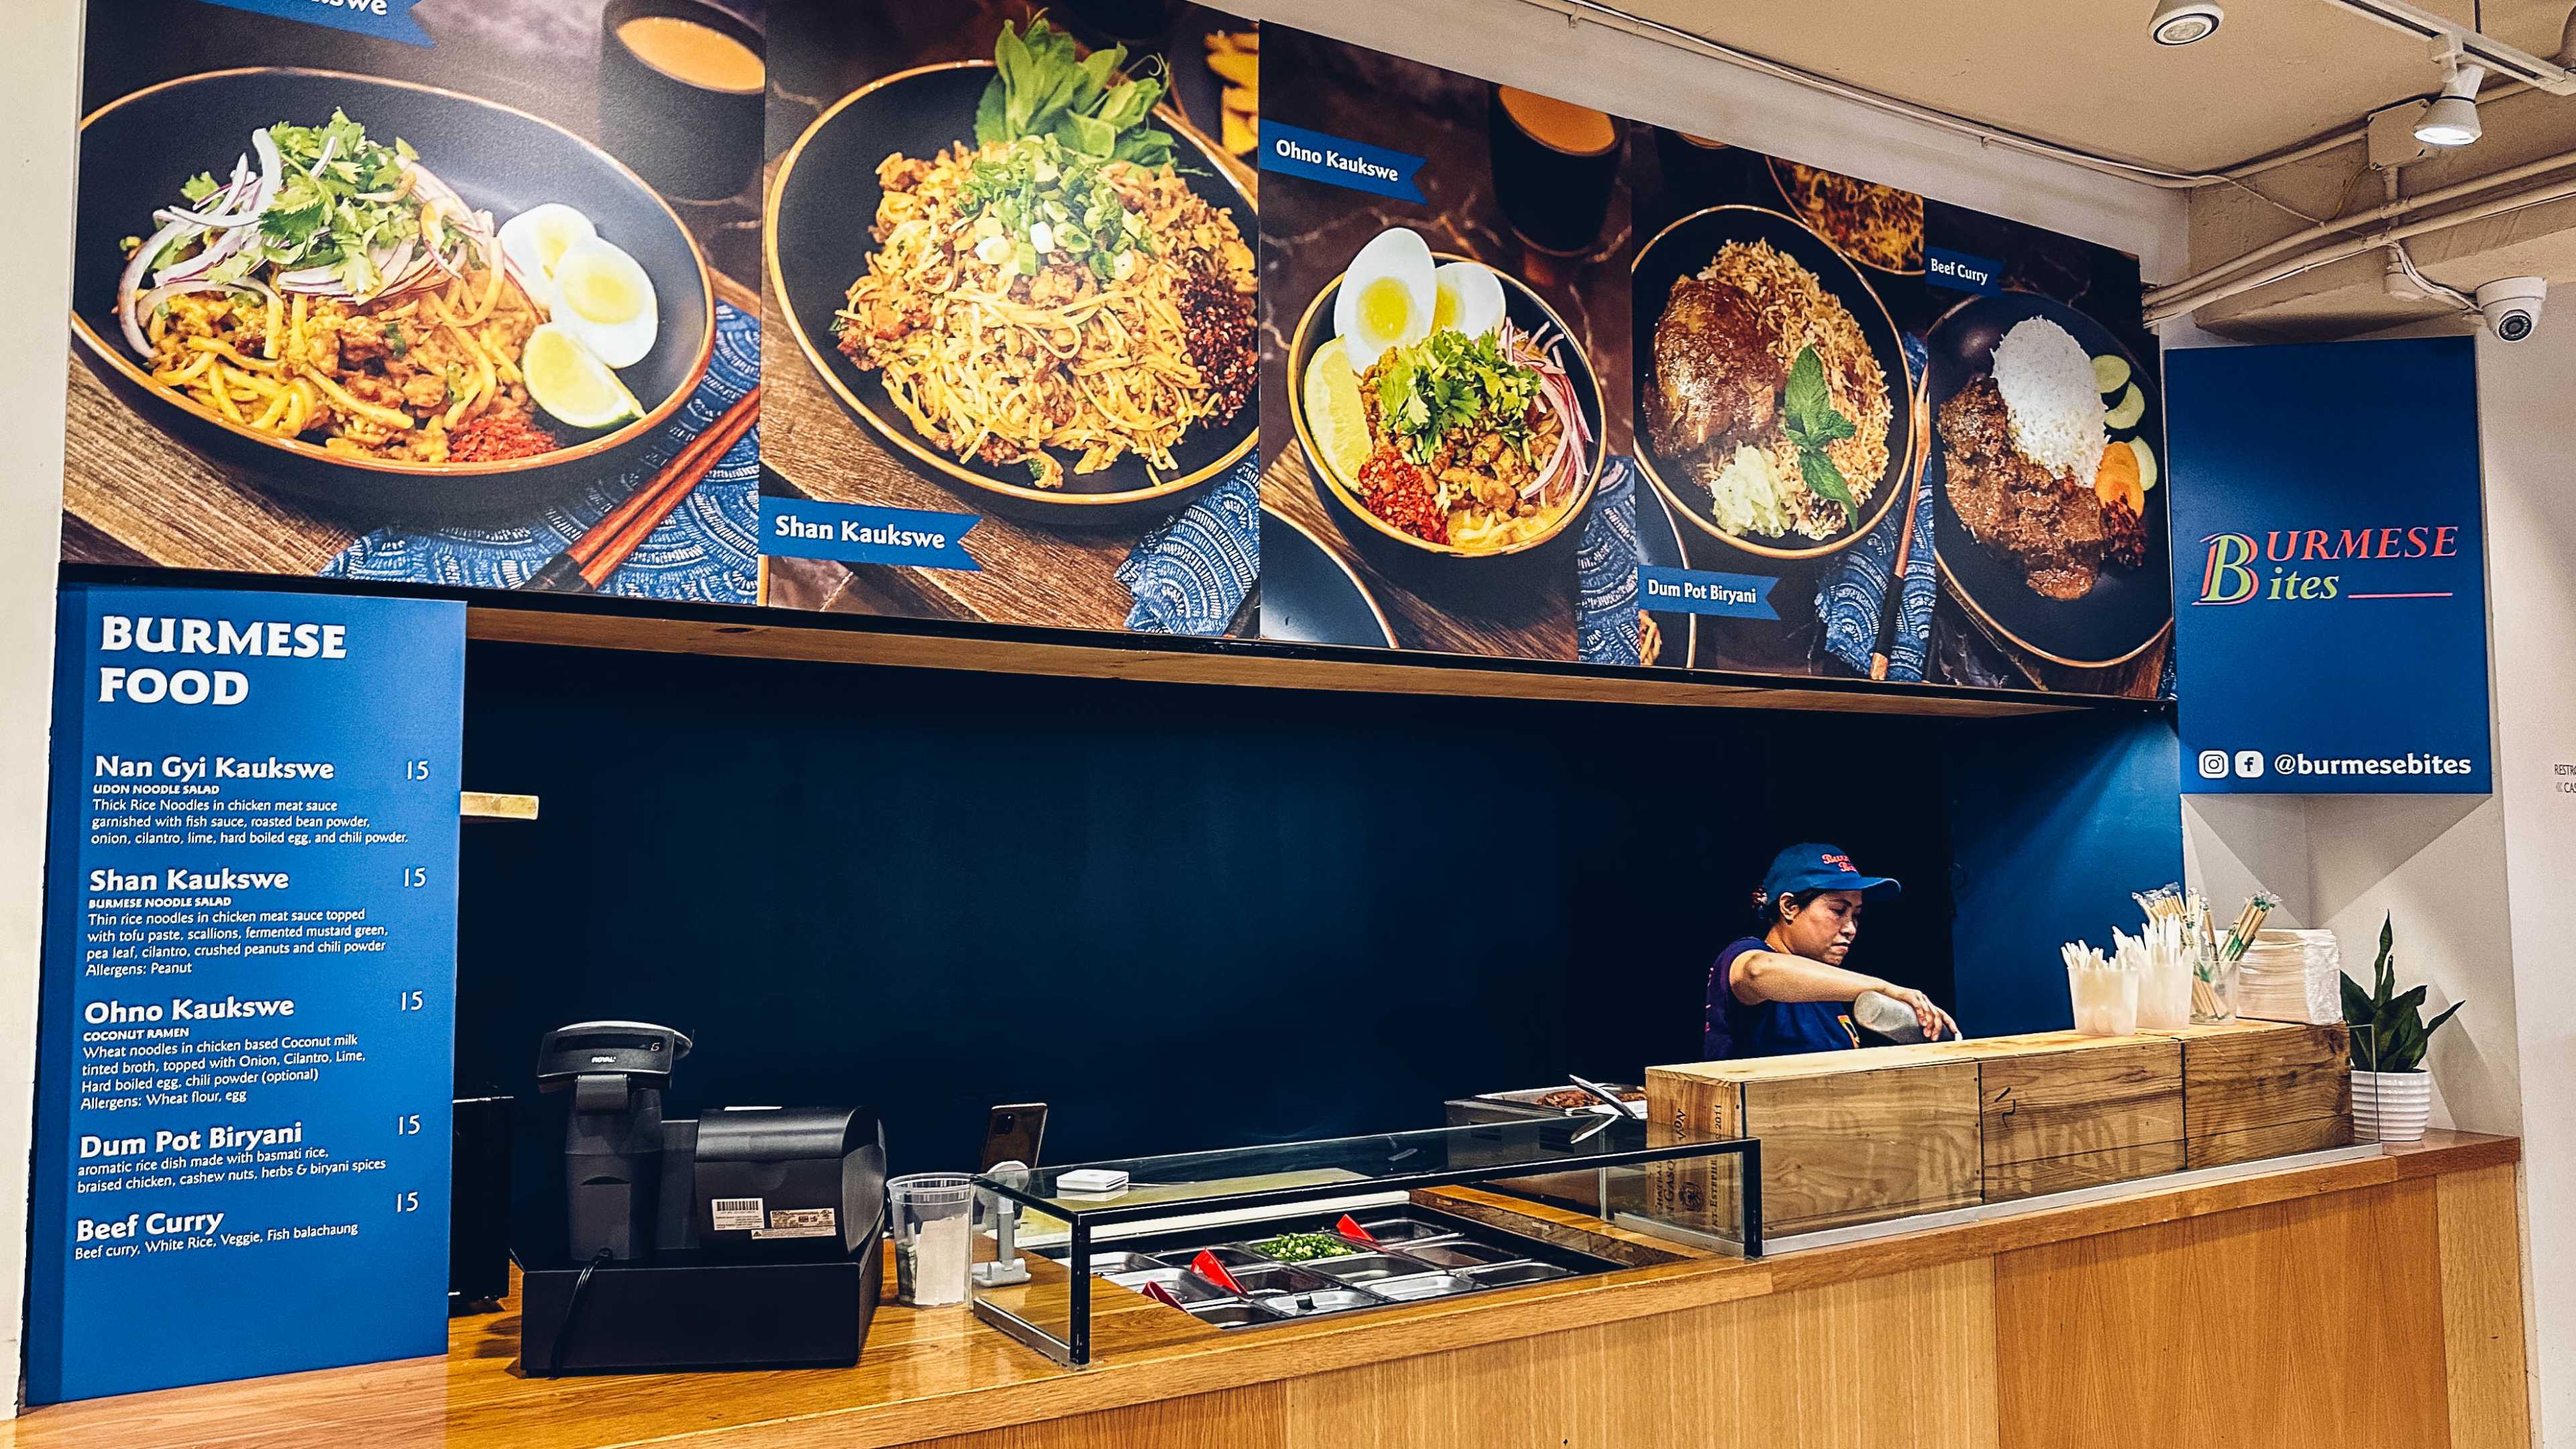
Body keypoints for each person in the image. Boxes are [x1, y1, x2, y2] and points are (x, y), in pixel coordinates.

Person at [1704, 843, 1959, 1059]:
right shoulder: (1745, 953)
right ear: (1789, 907)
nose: (1851, 928)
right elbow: (1759, 971)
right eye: (1838, 911)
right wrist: (1886, 988)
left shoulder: (1827, 993)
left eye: (1856, 915)